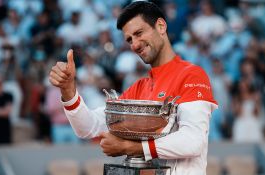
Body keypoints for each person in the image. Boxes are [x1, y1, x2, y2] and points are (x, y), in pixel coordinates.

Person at [49, 1, 217, 175]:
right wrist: (68, 91)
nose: (135, 45)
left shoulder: (191, 75)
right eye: (130, 39)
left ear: (161, 26)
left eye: (139, 33)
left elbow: (193, 141)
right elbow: (88, 126)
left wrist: (130, 147)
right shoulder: (139, 88)